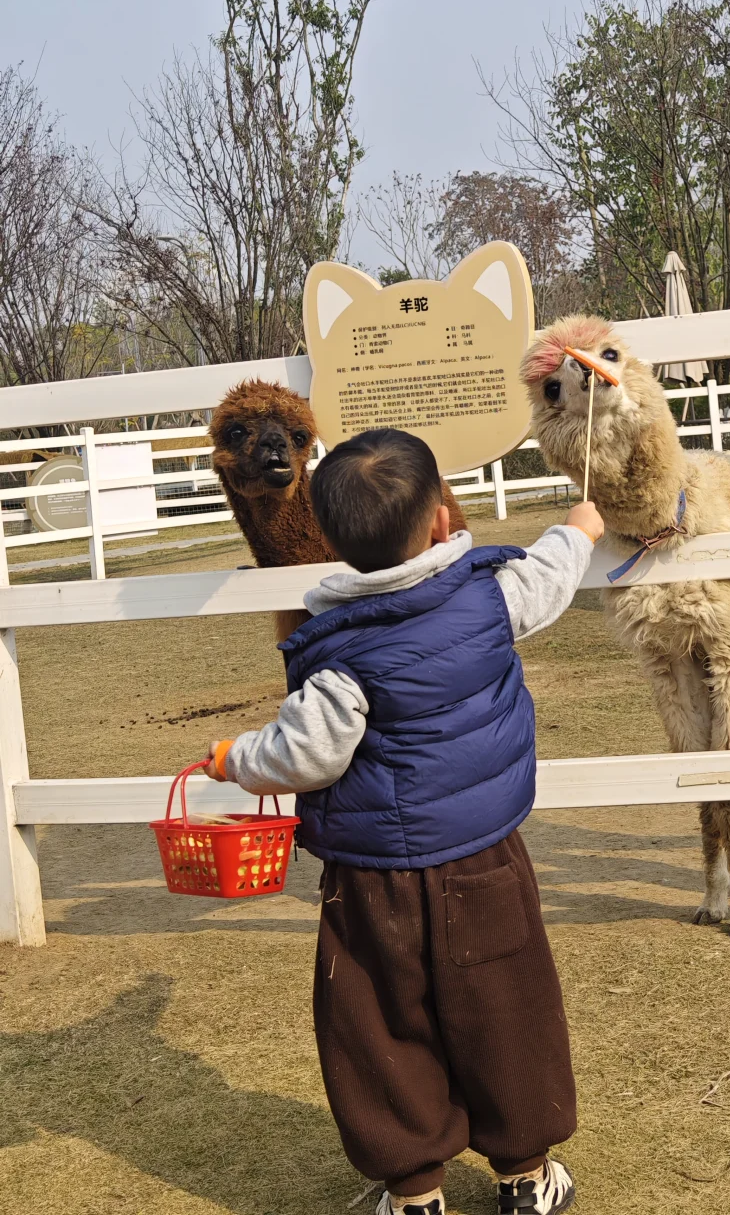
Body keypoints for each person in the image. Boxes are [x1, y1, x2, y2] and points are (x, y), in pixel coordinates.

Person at [206, 427, 602, 1215]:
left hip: (373, 879)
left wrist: (234, 759)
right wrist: (579, 527)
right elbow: (553, 574)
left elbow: (307, 753)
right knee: (505, 1008)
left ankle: (415, 1190)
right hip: (484, 859)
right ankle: (525, 1176)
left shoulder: (336, 648)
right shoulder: (492, 595)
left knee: (379, 1025)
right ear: (443, 519)